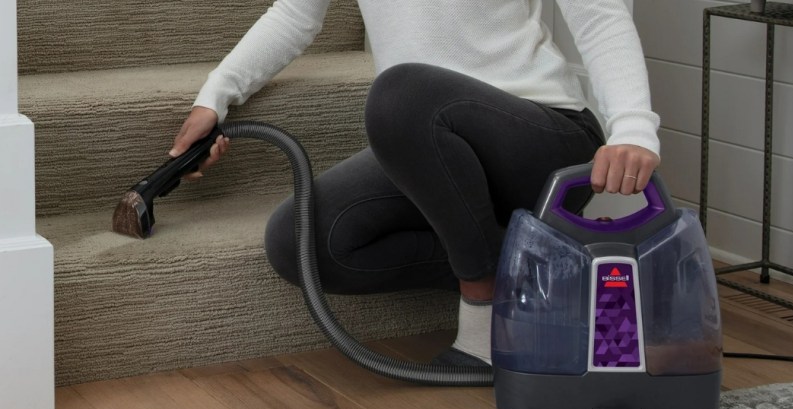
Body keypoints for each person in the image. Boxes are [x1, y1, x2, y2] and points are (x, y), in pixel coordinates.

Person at [169, 0, 661, 367]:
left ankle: (486, 306)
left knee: (400, 94)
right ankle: (542, 276)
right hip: (428, 144)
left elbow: (600, 15)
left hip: (540, 139)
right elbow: (295, 15)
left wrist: (634, 127)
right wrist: (217, 95)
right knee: (299, 242)